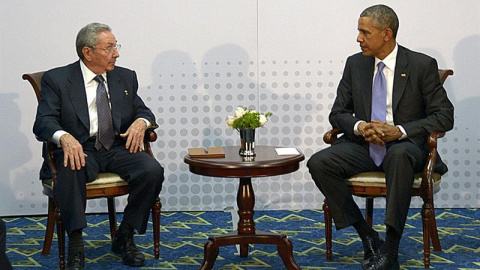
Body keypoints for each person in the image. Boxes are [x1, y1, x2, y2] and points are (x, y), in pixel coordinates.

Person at [307, 5, 454, 270]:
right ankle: (367, 234)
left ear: (386, 34)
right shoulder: (355, 64)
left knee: (398, 154)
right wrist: (361, 126)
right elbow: (338, 113)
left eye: (365, 32)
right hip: (365, 146)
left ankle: (391, 249)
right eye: (358, 31)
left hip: (407, 146)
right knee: (319, 163)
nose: (358, 38)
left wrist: (400, 131)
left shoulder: (421, 65)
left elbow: (444, 117)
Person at [33, 23, 164, 270]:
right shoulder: (59, 79)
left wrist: (141, 121)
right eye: (110, 47)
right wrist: (64, 137)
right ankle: (76, 245)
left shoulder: (125, 76)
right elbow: (44, 121)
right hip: (81, 148)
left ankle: (125, 235)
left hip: (116, 147)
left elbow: (143, 110)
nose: (117, 53)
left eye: (116, 46)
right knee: (69, 167)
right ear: (88, 52)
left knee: (152, 170)